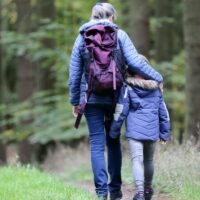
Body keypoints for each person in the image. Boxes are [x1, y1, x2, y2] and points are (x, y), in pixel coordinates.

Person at [69, 3, 163, 200]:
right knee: (113, 142)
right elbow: (136, 62)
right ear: (112, 17)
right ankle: (115, 191)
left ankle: (101, 193)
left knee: (96, 143)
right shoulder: (120, 35)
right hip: (116, 96)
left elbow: (75, 73)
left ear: (92, 17)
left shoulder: (82, 37)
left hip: (91, 97)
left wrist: (75, 101)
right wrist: (158, 78)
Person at [109, 65, 171, 200]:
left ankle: (140, 193)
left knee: (137, 160)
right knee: (149, 160)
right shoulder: (156, 88)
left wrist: (114, 131)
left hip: (135, 131)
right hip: (152, 130)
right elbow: (163, 112)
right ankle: (148, 189)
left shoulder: (127, 87)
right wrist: (164, 133)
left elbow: (121, 110)